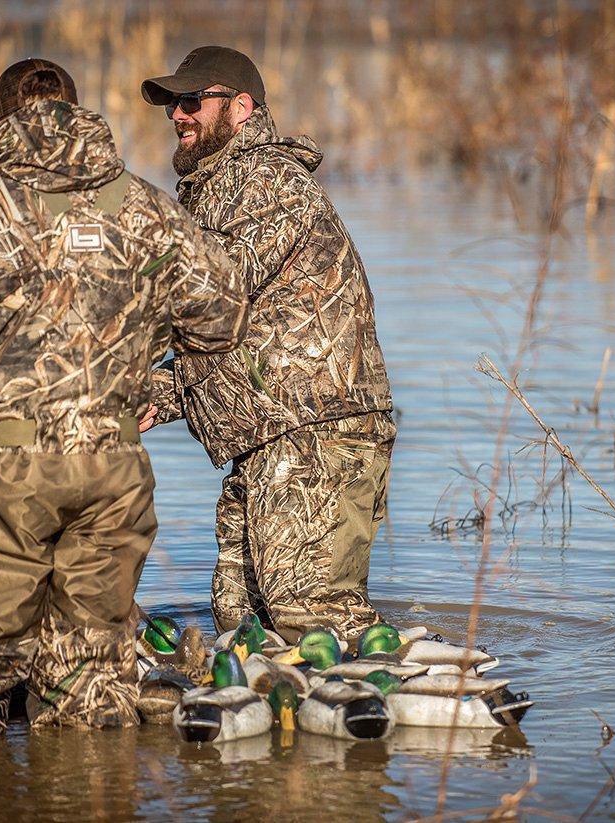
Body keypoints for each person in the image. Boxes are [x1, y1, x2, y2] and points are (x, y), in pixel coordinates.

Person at [0, 58, 247, 741]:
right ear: (77, 113)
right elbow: (221, 318)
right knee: (92, 691)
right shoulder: (145, 207)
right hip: (113, 475)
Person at [139, 46, 396, 643]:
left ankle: (399, 692)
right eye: (174, 104)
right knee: (240, 622)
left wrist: (108, 355)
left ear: (242, 106)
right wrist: (153, 389)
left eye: (193, 101)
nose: (178, 114)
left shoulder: (267, 181)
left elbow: (207, 295)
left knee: (311, 618)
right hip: (266, 437)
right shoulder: (217, 192)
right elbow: (236, 336)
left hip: (317, 436)